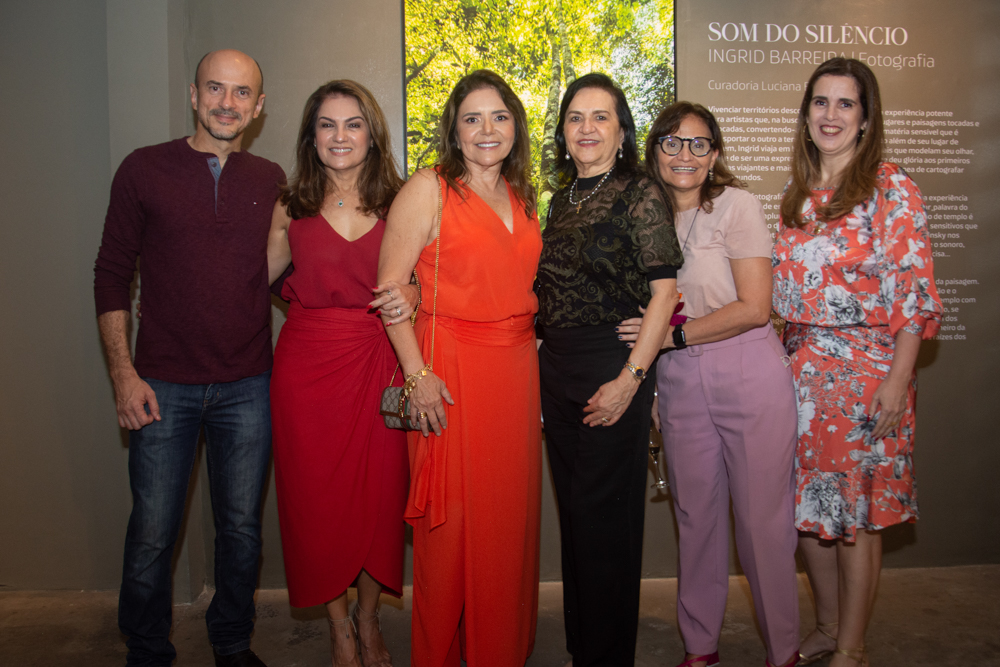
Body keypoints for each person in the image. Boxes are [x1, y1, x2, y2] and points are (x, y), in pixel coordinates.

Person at [94, 50, 282, 667]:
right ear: (194, 95)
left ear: (259, 107)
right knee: (152, 532)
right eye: (216, 89)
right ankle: (147, 650)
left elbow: (288, 273)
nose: (228, 102)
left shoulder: (273, 179)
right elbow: (112, 275)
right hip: (161, 385)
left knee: (242, 532)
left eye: (242, 93)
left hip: (249, 384)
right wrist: (124, 373)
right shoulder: (143, 169)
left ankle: (232, 642)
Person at [772, 58, 941, 667]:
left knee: (856, 515)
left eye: (846, 104)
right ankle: (823, 626)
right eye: (821, 102)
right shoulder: (798, 196)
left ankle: (851, 645)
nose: (832, 115)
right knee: (807, 512)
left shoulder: (890, 188)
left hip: (867, 375)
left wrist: (898, 382)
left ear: (866, 119)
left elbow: (914, 293)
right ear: (806, 113)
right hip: (798, 376)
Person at [620, 102, 800, 667]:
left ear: (715, 154)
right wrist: (652, 372)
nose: (684, 154)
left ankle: (784, 651)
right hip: (676, 379)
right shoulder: (638, 217)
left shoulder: (736, 206)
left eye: (699, 144)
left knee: (762, 524)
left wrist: (671, 340)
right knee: (695, 519)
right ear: (654, 151)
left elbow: (754, 308)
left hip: (745, 366)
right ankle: (700, 646)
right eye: (672, 142)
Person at [376, 69, 543, 667]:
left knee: (507, 529)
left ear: (515, 126)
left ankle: (499, 649)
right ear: (454, 130)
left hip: (517, 374)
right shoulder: (429, 188)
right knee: (452, 537)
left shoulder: (522, 195)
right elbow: (390, 290)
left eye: (499, 116)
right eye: (471, 118)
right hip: (450, 373)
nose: (486, 129)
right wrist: (418, 376)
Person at [266, 80, 416, 667]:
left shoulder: (401, 200)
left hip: (379, 361)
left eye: (353, 124)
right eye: (327, 125)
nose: (340, 136)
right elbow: (248, 279)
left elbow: (425, 282)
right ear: (311, 136)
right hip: (306, 371)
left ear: (372, 133)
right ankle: (338, 628)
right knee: (315, 502)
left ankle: (369, 616)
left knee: (380, 500)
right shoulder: (291, 204)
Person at [535, 72, 682, 667]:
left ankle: (606, 654)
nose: (586, 128)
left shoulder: (639, 193)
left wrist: (630, 380)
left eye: (600, 117)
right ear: (564, 133)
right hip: (558, 367)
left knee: (606, 523)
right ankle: (583, 649)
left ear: (621, 132)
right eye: (575, 117)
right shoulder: (559, 200)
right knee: (576, 518)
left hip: (611, 365)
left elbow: (665, 292)